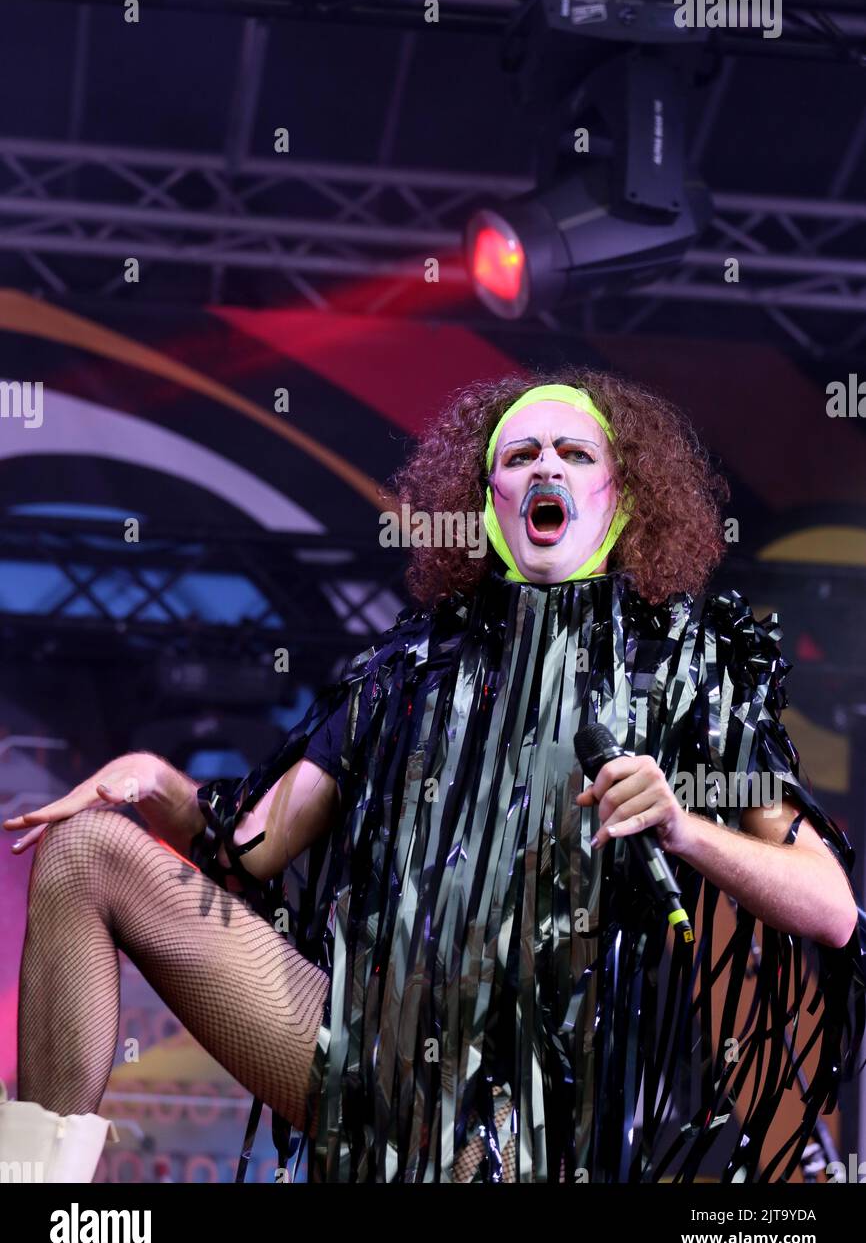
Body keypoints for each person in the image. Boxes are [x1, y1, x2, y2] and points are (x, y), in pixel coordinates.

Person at [2, 371, 863, 1184]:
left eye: (574, 452)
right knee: (87, 854)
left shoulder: (687, 674)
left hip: (550, 1115)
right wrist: (158, 782)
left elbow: (828, 908)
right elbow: (249, 854)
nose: (545, 468)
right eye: (519, 456)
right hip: (363, 1059)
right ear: (489, 505)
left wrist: (682, 828)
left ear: (622, 497)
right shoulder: (404, 673)